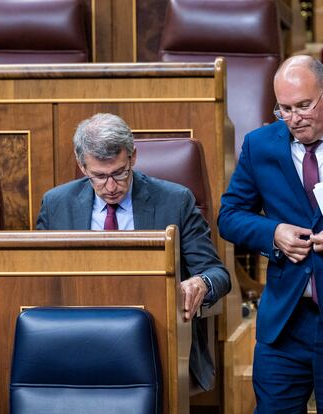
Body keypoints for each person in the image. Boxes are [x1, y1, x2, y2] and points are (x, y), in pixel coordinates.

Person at [37, 112, 231, 390]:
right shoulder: (57, 204)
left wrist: (200, 283)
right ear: (82, 166)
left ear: (133, 157)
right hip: (78, 332)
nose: (111, 187)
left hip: (153, 336)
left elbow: (218, 274)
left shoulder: (175, 200)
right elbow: (37, 280)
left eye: (119, 173)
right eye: (99, 177)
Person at [218, 55, 323, 412]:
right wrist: (273, 232)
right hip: (286, 322)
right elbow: (229, 216)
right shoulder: (260, 145)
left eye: (305, 106)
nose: (294, 118)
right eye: (285, 109)